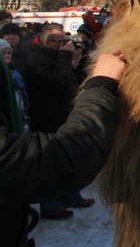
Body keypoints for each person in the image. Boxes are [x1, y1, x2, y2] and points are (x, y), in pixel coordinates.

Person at [0, 52, 124, 246]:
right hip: (51, 124)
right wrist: (101, 85)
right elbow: (63, 162)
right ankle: (53, 207)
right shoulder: (37, 60)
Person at [23, 23, 96, 219]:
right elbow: (52, 81)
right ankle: (51, 206)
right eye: (61, 41)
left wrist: (73, 61)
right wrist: (65, 58)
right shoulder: (37, 59)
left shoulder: (55, 57)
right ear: (48, 42)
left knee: (69, 161)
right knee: (52, 165)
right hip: (48, 121)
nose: (66, 44)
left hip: (63, 116)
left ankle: (71, 196)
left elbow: (66, 79)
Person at [1, 39, 30, 130]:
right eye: (3, 53)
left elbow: (23, 96)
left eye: (8, 53)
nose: (6, 56)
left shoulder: (16, 74)